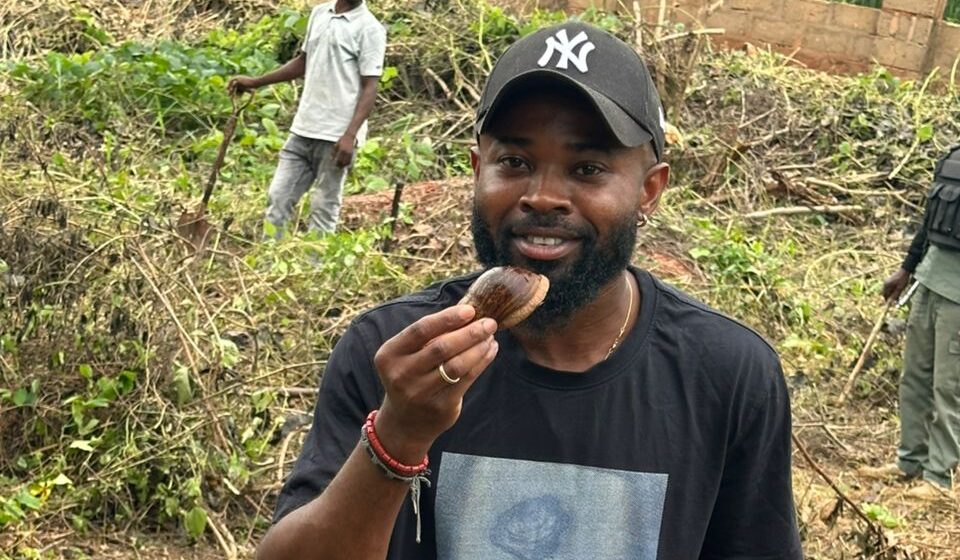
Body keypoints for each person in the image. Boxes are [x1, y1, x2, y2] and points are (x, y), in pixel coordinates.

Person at [257, 22, 802, 559]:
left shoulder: (727, 375)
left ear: (649, 190)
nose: (543, 196)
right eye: (514, 162)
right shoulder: (393, 354)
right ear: (478, 170)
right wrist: (397, 436)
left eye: (587, 168)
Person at [228, 0, 386, 236]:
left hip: (336, 136)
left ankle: (317, 258)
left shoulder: (370, 29)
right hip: (304, 128)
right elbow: (303, 62)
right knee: (278, 198)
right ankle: (270, 255)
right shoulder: (319, 13)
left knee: (323, 207)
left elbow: (370, 86)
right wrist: (256, 82)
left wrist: (350, 135)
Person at [863, 146, 960, 499]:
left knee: (949, 386)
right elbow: (929, 223)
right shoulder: (952, 159)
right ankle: (910, 461)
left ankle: (939, 478)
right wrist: (906, 270)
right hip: (929, 279)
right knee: (915, 377)